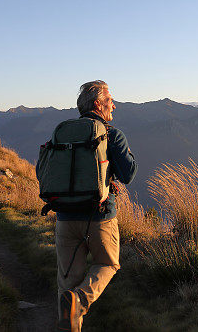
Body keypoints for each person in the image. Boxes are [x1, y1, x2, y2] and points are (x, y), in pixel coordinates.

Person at [56, 80, 137, 332]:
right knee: (108, 264)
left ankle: (71, 319)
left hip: (65, 219)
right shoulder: (111, 134)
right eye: (110, 99)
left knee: (68, 281)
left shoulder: (62, 131)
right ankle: (81, 299)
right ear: (97, 104)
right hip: (100, 217)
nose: (114, 104)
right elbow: (127, 174)